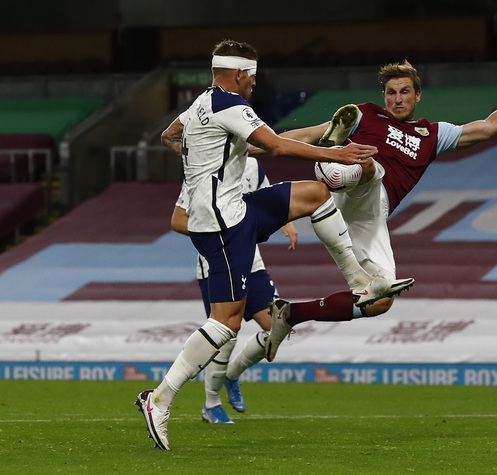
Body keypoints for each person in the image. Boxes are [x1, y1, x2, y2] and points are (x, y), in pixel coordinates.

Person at [134, 39, 414, 451]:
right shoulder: (230, 105)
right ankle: (159, 399)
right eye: (253, 75)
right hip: (221, 226)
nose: (254, 83)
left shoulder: (200, 105)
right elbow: (278, 146)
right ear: (240, 74)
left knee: (316, 194)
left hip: (238, 209)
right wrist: (339, 152)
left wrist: (196, 156)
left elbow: (168, 135)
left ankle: (360, 280)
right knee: (225, 323)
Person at [257, 49, 497, 359]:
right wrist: (256, 145)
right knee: (369, 165)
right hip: (353, 182)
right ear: (383, 96)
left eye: (404, 92)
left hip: (370, 213)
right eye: (391, 92)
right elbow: (308, 134)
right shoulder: (365, 114)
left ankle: (290, 314)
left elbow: (488, 127)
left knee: (380, 298)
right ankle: (338, 159)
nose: (397, 98)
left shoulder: (430, 135)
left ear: (417, 95)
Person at [171, 156, 298, 424]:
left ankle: (232, 374)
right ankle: (211, 404)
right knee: (226, 334)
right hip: (216, 262)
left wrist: (286, 220)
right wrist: (219, 235)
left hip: (252, 262)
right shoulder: (201, 169)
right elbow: (178, 220)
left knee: (277, 324)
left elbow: (271, 199)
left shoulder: (252, 165)